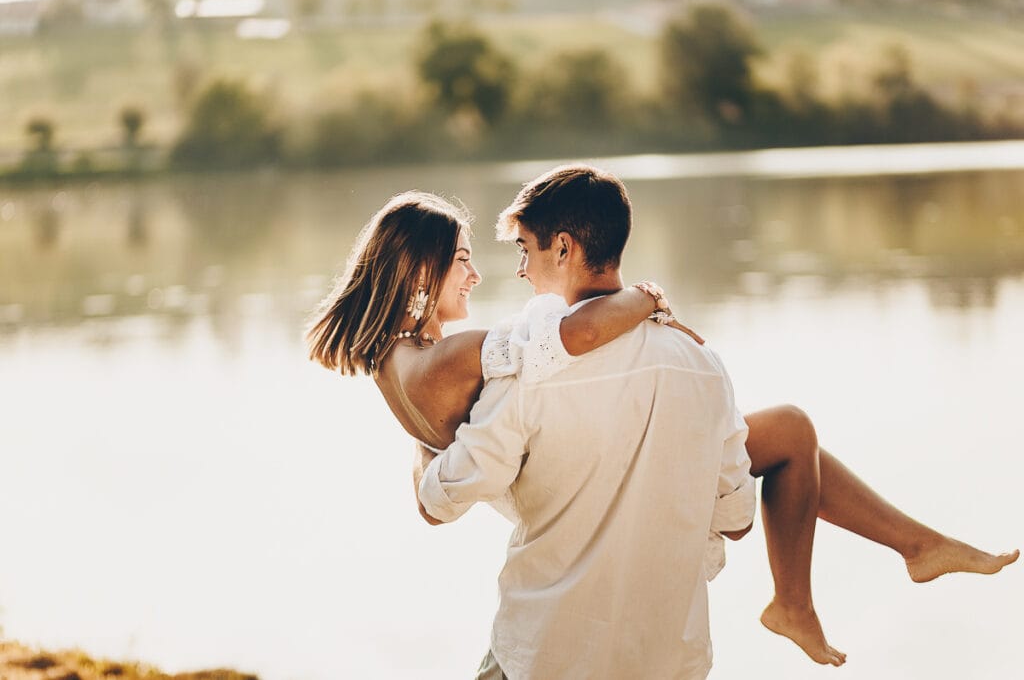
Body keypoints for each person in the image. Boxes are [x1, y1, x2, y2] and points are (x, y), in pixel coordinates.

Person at [306, 170, 1018, 676]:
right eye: (469, 260)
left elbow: (446, 480)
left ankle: (892, 555)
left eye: (518, 252)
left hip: (545, 634)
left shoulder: (398, 360)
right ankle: (834, 581)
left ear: (560, 248)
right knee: (790, 431)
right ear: (423, 269)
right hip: (661, 647)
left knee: (789, 431)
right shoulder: (528, 357)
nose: (504, 274)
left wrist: (428, 463)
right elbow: (563, 343)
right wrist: (646, 302)